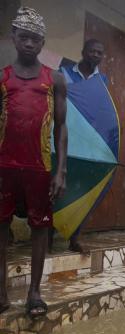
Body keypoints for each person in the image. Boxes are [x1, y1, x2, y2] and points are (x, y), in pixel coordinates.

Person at [0, 7, 67, 317]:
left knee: (40, 228)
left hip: (39, 167)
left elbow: (61, 127)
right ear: (14, 37)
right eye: (24, 37)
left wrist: (60, 170)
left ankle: (35, 292)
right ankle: (1, 293)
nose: (29, 44)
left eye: (35, 39)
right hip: (4, 166)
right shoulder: (2, 78)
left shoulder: (54, 79)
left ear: (42, 43)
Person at [57, 38, 107, 253]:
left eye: (100, 53)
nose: (96, 55)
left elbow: (100, 109)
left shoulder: (102, 80)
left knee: (82, 187)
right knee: (56, 182)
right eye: (92, 51)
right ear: (83, 51)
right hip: (62, 135)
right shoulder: (64, 72)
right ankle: (48, 234)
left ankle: (74, 238)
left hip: (86, 141)